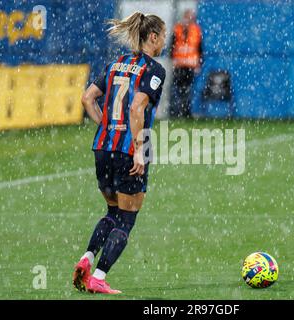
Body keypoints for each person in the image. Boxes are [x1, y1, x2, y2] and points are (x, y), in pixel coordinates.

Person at [74, 12, 166, 295]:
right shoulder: (154, 69)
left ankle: (86, 259)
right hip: (130, 149)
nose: (165, 41)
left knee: (112, 210)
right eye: (163, 36)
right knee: (127, 218)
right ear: (152, 37)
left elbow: (87, 98)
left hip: (103, 147)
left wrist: (107, 127)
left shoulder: (116, 63)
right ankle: (98, 277)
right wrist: (139, 150)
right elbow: (137, 108)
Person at [169, 9, 203, 118]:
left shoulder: (196, 30)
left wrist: (199, 64)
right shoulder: (177, 29)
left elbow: (200, 48)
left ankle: (186, 112)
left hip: (190, 65)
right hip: (179, 65)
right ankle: (176, 112)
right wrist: (172, 60)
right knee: (177, 90)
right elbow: (172, 46)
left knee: (188, 90)